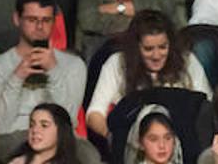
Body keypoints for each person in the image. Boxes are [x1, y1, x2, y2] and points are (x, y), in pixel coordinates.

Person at [0, 0, 87, 157]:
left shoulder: (73, 65)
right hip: (13, 140)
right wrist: (16, 78)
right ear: (17, 19)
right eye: (32, 20)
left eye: (46, 20)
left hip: (60, 142)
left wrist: (53, 71)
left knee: (90, 156)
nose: (39, 27)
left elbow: (68, 119)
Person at [84, 10, 210, 140]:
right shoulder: (117, 63)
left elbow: (206, 108)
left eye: (162, 47)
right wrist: (115, 139)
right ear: (136, 48)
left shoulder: (188, 61)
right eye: (148, 49)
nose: (156, 56)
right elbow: (94, 114)